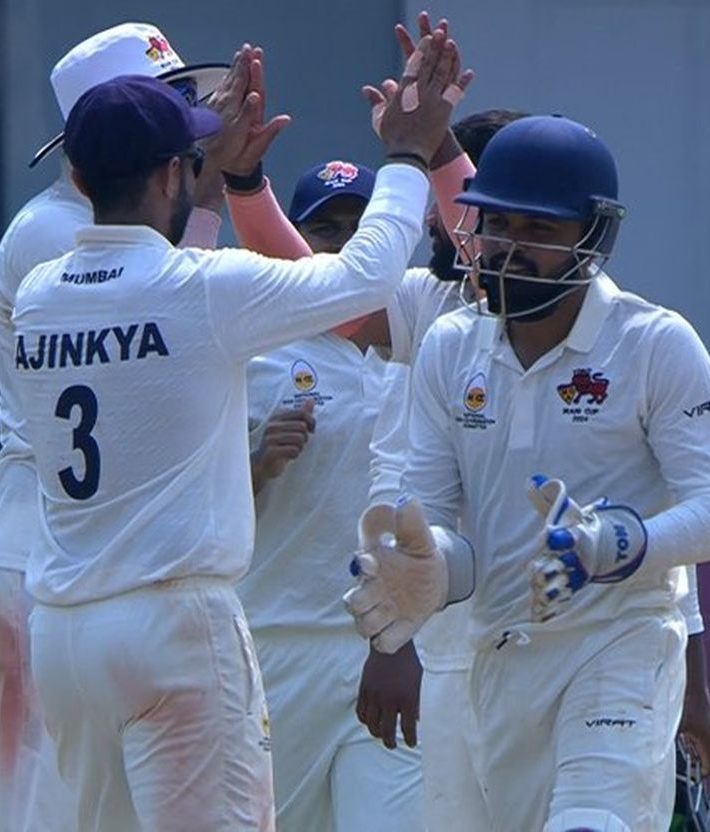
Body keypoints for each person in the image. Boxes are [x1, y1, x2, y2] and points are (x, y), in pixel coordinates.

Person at [12, 27, 465, 831]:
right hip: (174, 625)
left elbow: (151, 307)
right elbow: (364, 280)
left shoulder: (42, 292)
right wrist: (403, 153)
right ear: (167, 174)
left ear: (78, 175)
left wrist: (210, 193)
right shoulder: (201, 291)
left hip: (65, 632)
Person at [344, 113, 710, 832]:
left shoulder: (653, 343)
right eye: (495, 225)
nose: (507, 251)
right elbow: (440, 517)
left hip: (620, 644)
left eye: (538, 232)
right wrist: (425, 571)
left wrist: (617, 544)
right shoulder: (450, 345)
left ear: (591, 239)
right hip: (500, 657)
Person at [0, 22, 238, 831]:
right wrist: (217, 197)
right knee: (44, 812)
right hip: (36, 544)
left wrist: (217, 195)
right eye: (172, 103)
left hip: (80, 550)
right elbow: (181, 309)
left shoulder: (133, 232)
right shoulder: (58, 231)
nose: (190, 120)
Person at [238, 159, 425, 831]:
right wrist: (257, 463)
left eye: (360, 227)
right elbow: (192, 504)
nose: (345, 244)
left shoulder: (425, 343)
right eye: (325, 230)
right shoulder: (253, 347)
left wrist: (399, 639)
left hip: (385, 648)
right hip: (275, 642)